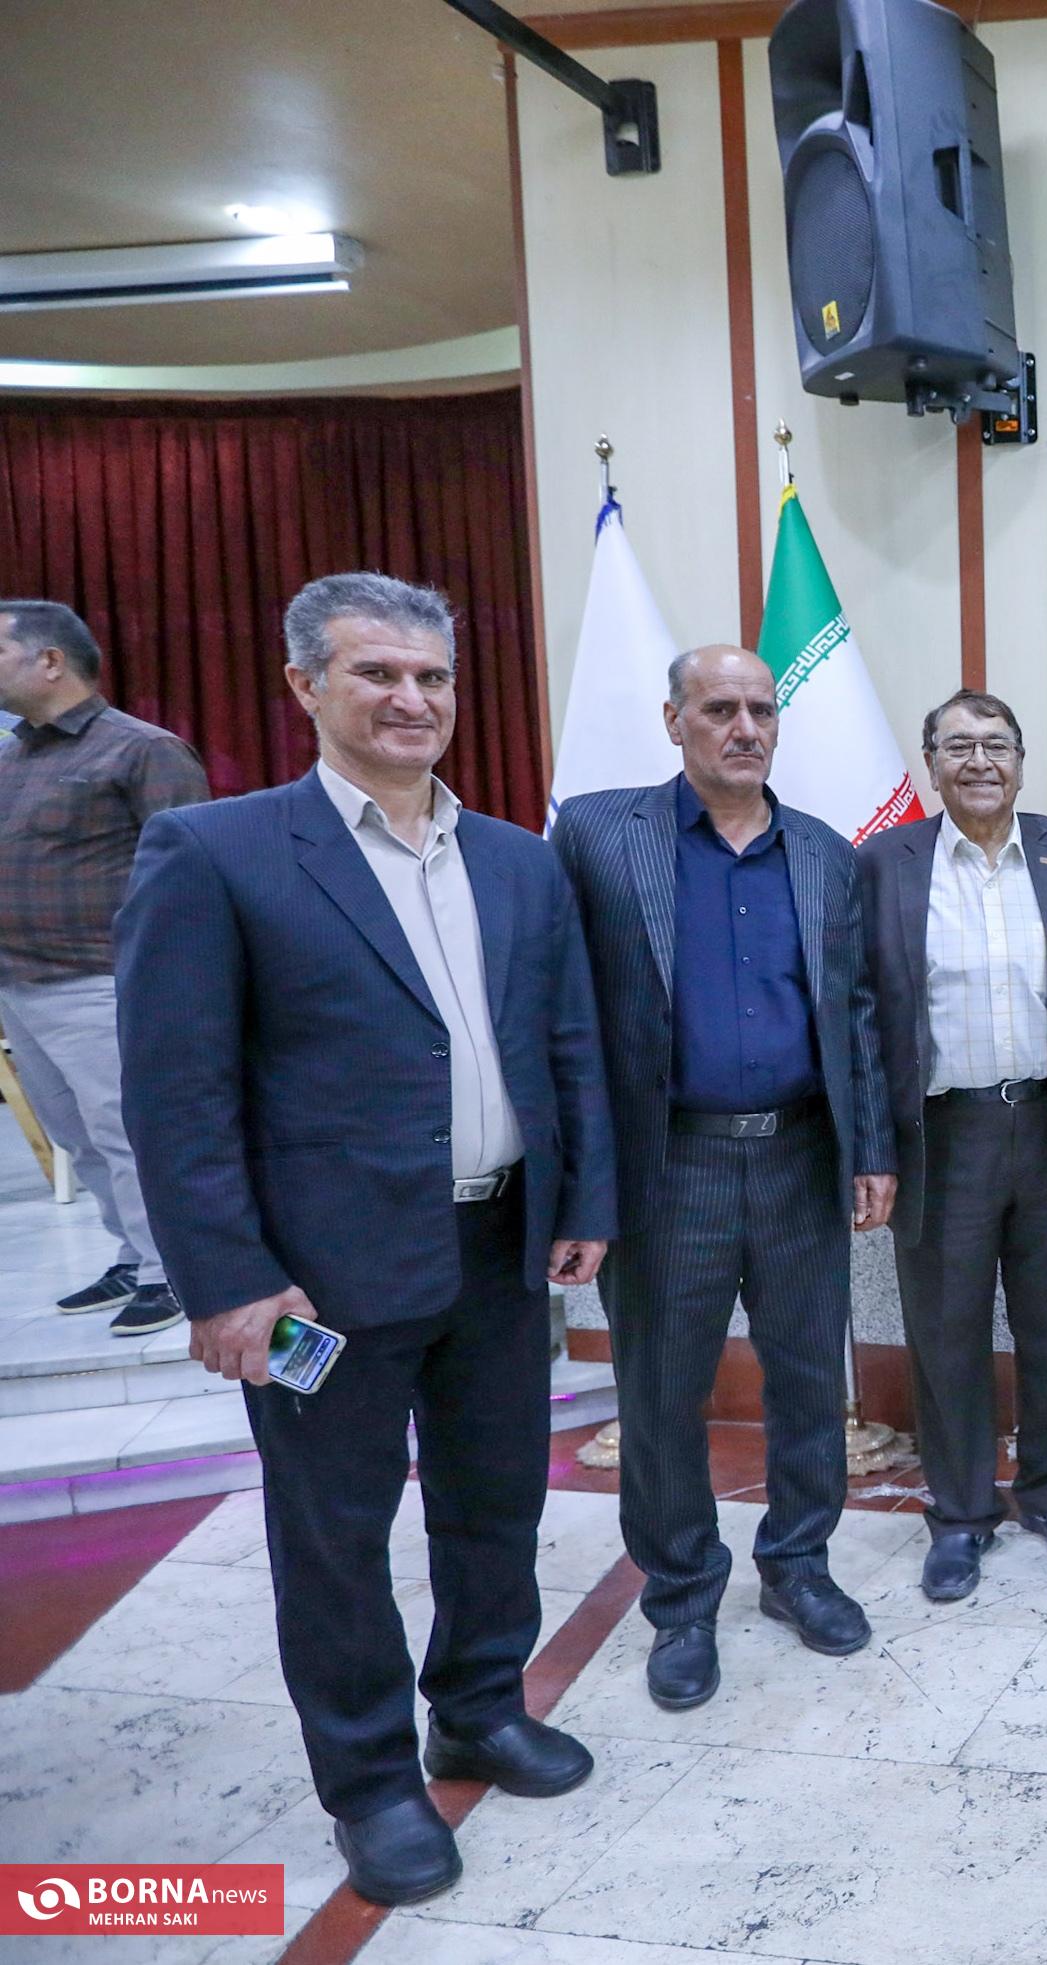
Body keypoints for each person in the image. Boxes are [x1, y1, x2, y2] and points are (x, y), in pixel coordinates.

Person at [114, 573, 615, 1905]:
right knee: (334, 1535)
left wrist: (583, 1203)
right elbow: (176, 1092)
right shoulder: (216, 853)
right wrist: (227, 1281)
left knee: (495, 1499)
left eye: (432, 677)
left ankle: (480, 1709)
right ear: (305, 686)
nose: (411, 699)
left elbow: (565, 1043)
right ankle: (373, 1783)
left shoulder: (517, 858)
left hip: (500, 1252)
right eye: (377, 673)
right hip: (318, 1285)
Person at [552, 646, 895, 1712]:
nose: (744, 728)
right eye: (718, 709)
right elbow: (563, 1013)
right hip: (670, 1165)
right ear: (674, 720)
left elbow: (857, 1012)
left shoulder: (826, 853)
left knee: (809, 1380)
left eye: (760, 709)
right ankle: (683, 1599)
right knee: (662, 1393)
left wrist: (872, 1147)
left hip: (800, 1156)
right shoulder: (599, 837)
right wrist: (580, 1182)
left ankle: (798, 1565)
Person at [859, 690, 1047, 1600]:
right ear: (930, 762)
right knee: (947, 1329)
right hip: (942, 1133)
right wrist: (870, 1146)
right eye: (959, 745)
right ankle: (963, 1510)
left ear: (1021, 760)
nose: (980, 761)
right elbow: (861, 1013)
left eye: (997, 744)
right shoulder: (883, 865)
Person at [0, 598, 208, 1338]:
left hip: (104, 979)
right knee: (79, 1137)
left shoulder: (142, 750)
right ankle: (133, 1253)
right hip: (20, 983)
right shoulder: (13, 756)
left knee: (130, 1133)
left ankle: (173, 1269)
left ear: (51, 661)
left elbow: (190, 880)